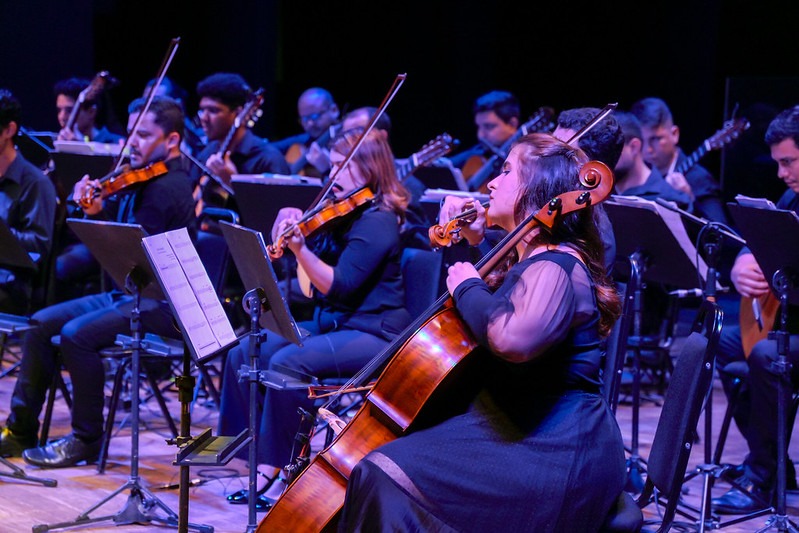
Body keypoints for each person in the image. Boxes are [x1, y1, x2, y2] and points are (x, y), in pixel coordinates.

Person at [338, 133, 625, 531]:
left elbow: (511, 339)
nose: (491, 182)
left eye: (507, 171)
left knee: (382, 473)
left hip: (557, 449)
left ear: (538, 190)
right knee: (386, 463)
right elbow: (504, 271)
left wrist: (468, 285)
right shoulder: (532, 257)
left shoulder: (557, 266)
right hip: (517, 423)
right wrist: (471, 234)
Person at [217, 127, 412, 510]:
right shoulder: (343, 213)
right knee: (245, 349)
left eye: (343, 166)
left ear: (370, 169)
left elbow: (339, 285)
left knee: (288, 361)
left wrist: (301, 248)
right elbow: (311, 278)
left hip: (375, 331)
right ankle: (251, 453)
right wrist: (293, 223)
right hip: (335, 324)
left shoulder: (379, 220)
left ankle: (283, 467)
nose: (333, 175)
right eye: (334, 165)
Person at [0, 96, 196, 465]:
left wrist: (100, 216)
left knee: (77, 335)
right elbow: (121, 258)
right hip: (132, 293)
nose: (132, 142)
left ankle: (86, 439)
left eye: (143, 134)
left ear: (172, 141)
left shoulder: (168, 188)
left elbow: (139, 265)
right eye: (131, 133)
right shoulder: (142, 181)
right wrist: (96, 212)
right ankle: (19, 429)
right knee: (41, 324)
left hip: (166, 304)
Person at [711, 105, 799, 514]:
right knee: (725, 344)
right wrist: (743, 260)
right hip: (791, 325)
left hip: (790, 335)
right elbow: (759, 238)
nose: (782, 173)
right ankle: (774, 465)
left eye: (789, 162)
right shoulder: (791, 195)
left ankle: (763, 478)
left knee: (767, 354)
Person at [191, 73, 289, 212]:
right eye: (202, 110)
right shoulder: (209, 152)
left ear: (238, 113)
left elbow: (274, 217)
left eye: (213, 110)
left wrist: (232, 182)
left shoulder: (268, 159)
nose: (204, 118)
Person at [0, 89, 57, 314]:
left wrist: (4, 234)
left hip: (12, 282)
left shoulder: (34, 182)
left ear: (9, 130)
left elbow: (40, 245)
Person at [630, 97, 729, 223]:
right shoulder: (639, 174)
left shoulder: (699, 179)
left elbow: (721, 234)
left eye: (655, 139)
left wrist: (691, 201)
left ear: (675, 134)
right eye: (642, 141)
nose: (648, 149)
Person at [612, 111, 692, 207]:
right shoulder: (601, 192)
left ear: (634, 147)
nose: (604, 156)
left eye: (612, 148)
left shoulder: (671, 200)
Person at [448, 90, 521, 190]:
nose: (480, 135)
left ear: (512, 124)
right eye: (479, 127)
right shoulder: (476, 153)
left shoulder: (526, 160)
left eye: (489, 126)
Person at [272, 87, 341, 177]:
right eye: (304, 119)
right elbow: (269, 148)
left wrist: (327, 168)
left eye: (315, 116)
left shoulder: (347, 140)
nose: (310, 123)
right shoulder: (305, 139)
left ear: (334, 110)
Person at [54, 77, 123, 144]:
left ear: (91, 112)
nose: (62, 117)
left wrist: (78, 148)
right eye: (59, 110)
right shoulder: (58, 142)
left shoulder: (116, 143)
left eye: (69, 110)